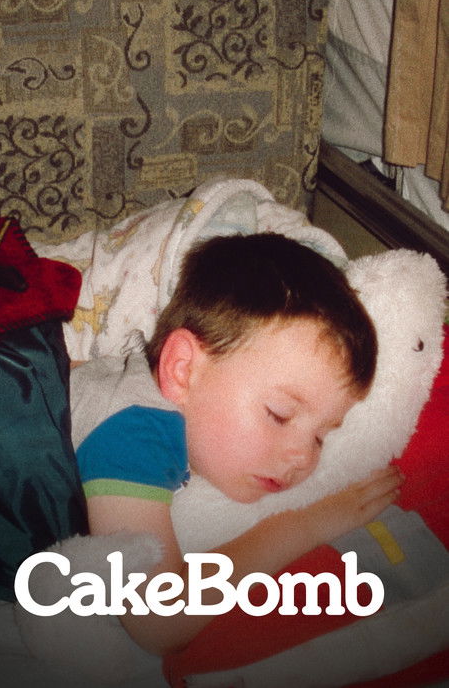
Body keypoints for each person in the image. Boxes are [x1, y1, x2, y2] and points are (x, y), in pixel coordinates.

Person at [74, 233, 403, 655]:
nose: (303, 457)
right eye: (280, 414)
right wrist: (302, 526)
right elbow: (158, 619)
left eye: (321, 436)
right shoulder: (130, 432)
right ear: (182, 370)